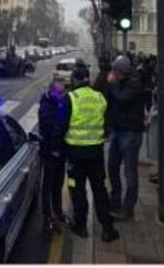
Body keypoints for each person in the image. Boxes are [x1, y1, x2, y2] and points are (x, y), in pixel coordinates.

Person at [63, 64, 120, 242]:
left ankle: (80, 225)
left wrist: (57, 147)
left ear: (75, 80)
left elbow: (61, 125)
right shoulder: (99, 97)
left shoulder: (71, 98)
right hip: (96, 152)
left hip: (75, 154)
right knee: (99, 189)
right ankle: (108, 228)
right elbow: (108, 121)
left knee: (77, 189)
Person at [105, 55, 145, 220]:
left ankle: (128, 208)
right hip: (118, 130)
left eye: (114, 71)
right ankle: (115, 199)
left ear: (120, 72)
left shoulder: (134, 83)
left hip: (130, 132)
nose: (112, 74)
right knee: (112, 166)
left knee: (130, 172)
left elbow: (122, 99)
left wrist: (113, 84)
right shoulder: (120, 82)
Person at [38, 79, 69, 234]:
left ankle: (58, 211)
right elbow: (49, 128)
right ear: (51, 92)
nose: (61, 95)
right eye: (58, 92)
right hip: (50, 151)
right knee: (48, 186)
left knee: (58, 183)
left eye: (63, 92)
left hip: (61, 151)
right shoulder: (46, 106)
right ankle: (47, 217)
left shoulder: (61, 103)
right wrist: (54, 148)